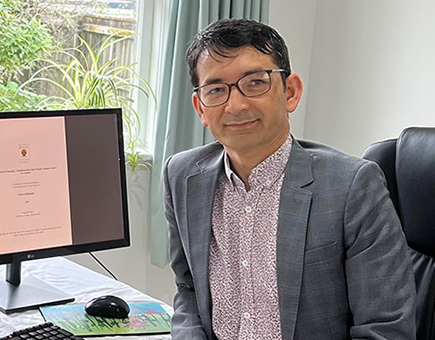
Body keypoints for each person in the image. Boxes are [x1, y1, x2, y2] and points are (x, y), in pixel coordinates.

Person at [163, 18, 416, 340]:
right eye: (216, 90)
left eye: (255, 82)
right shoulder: (182, 175)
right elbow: (188, 289)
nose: (236, 105)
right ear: (201, 107)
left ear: (290, 92)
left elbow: (385, 329)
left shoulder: (352, 187)